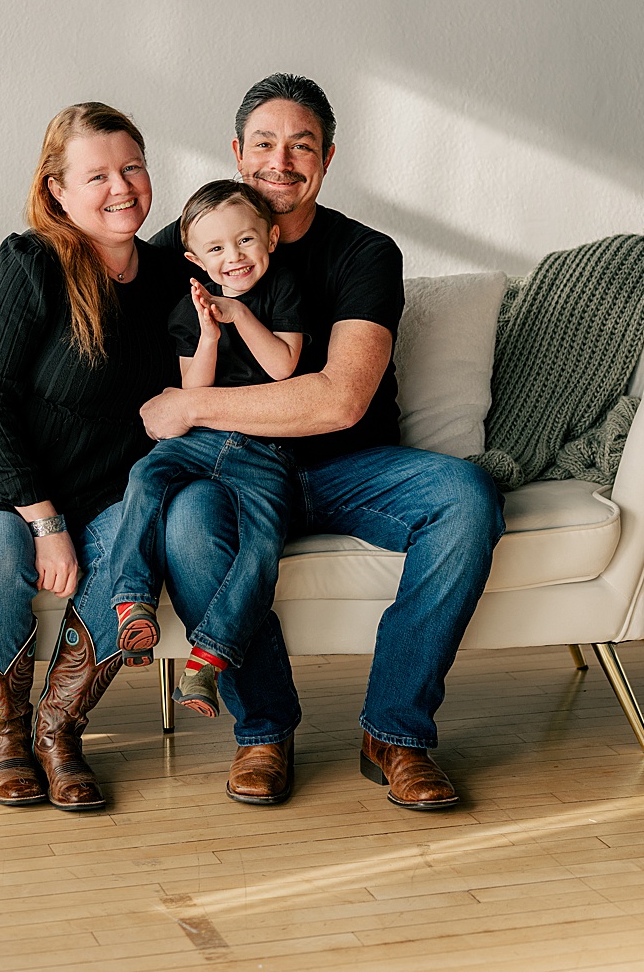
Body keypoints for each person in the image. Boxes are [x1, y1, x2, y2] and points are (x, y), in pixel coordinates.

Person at [140, 73, 505, 811]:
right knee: (186, 524)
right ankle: (264, 731)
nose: (282, 161)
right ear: (238, 153)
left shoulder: (365, 253)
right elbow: (81, 303)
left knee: (466, 497)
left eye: (301, 146)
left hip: (349, 466)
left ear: (327, 160)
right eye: (266, 144)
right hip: (232, 471)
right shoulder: (180, 249)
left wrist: (193, 404)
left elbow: (341, 399)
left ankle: (395, 733)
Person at [0, 102, 187, 812]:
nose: (121, 187)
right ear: (57, 191)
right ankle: (3, 736)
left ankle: (57, 731)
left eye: (133, 167)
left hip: (100, 482)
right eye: (96, 175)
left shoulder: (168, 275)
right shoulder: (28, 263)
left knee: (140, 545)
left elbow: (243, 250)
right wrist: (43, 520)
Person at [104, 179, 309, 720]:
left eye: (244, 241)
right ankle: (131, 602)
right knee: (145, 479)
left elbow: (283, 368)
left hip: (267, 451)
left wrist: (239, 314)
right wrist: (209, 334)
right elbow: (192, 396)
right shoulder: (185, 309)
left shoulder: (285, 288)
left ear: (270, 237)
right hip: (199, 442)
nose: (233, 258)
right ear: (195, 258)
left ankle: (210, 657)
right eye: (216, 249)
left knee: (261, 542)